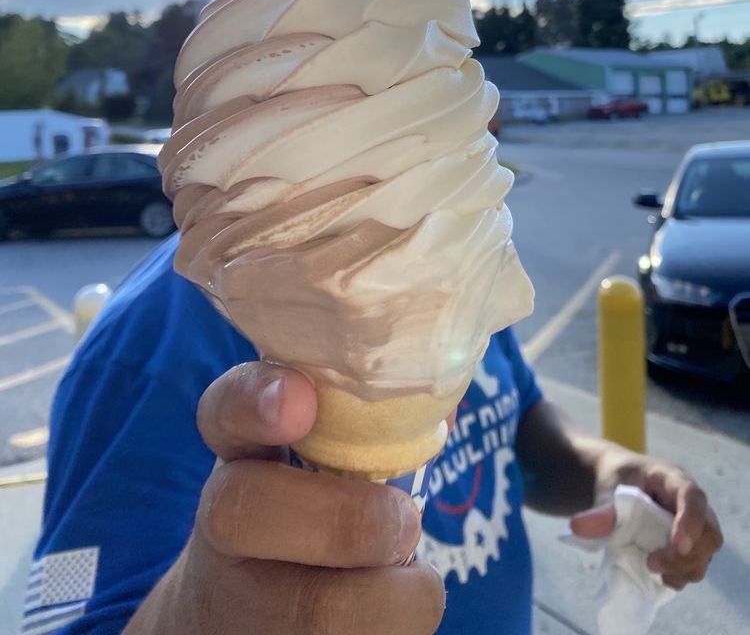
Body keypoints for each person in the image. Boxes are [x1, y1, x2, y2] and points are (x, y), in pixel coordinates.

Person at [24, 235, 722, 635]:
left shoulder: (447, 255)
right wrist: (196, 614)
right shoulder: (150, 343)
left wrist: (610, 472)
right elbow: (64, 618)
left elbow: (522, 424)